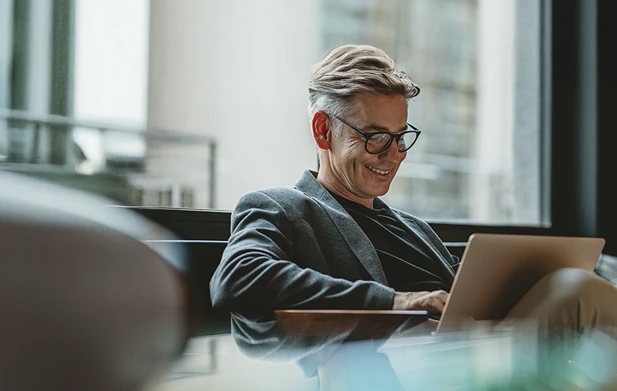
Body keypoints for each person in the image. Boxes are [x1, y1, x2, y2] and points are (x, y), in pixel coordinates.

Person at [209, 45, 617, 390]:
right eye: (375, 137)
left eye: (401, 136)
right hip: (388, 369)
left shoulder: (415, 229)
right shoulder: (280, 206)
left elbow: (469, 297)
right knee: (575, 290)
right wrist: (396, 301)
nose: (394, 155)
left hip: (478, 350)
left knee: (586, 288)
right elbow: (240, 278)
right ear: (322, 131)